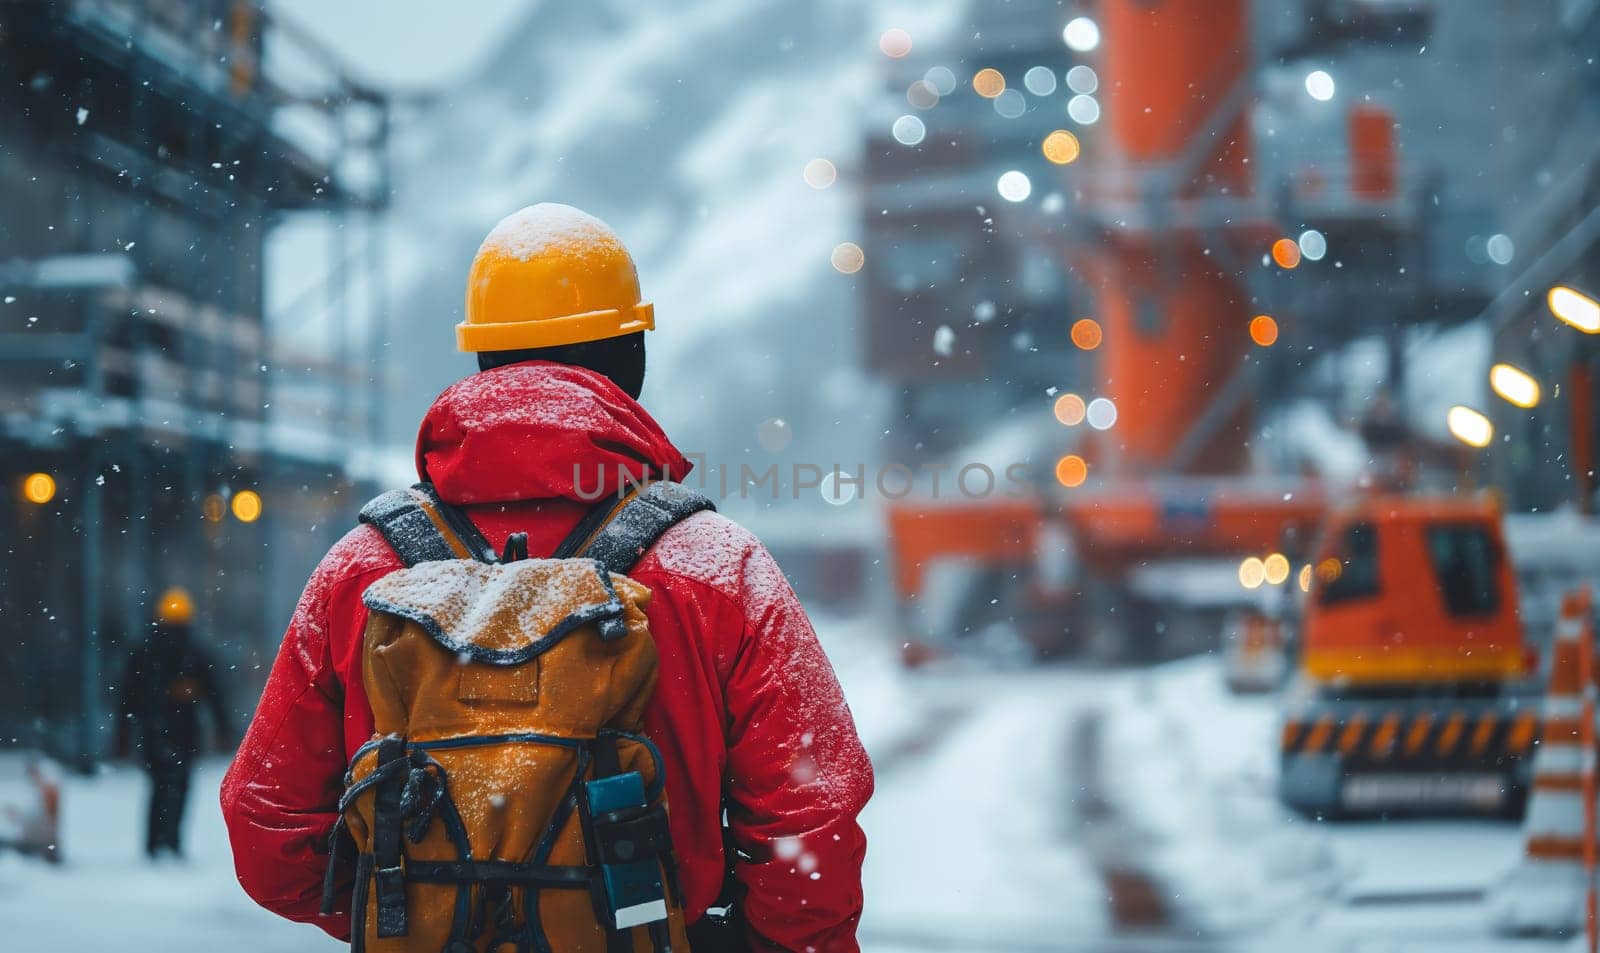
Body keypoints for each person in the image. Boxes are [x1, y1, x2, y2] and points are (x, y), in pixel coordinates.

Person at [222, 204, 874, 952]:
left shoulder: (363, 569)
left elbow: (265, 824)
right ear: (631, 359)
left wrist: (412, 910)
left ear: (481, 360)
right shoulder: (713, 565)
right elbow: (812, 829)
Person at [118, 586, 231, 859]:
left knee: (159, 786)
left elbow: (127, 696)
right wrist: (223, 727)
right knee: (177, 787)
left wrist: (123, 733)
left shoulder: (145, 650)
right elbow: (214, 694)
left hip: (155, 731)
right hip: (181, 732)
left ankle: (155, 844)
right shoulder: (193, 651)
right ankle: (170, 843)